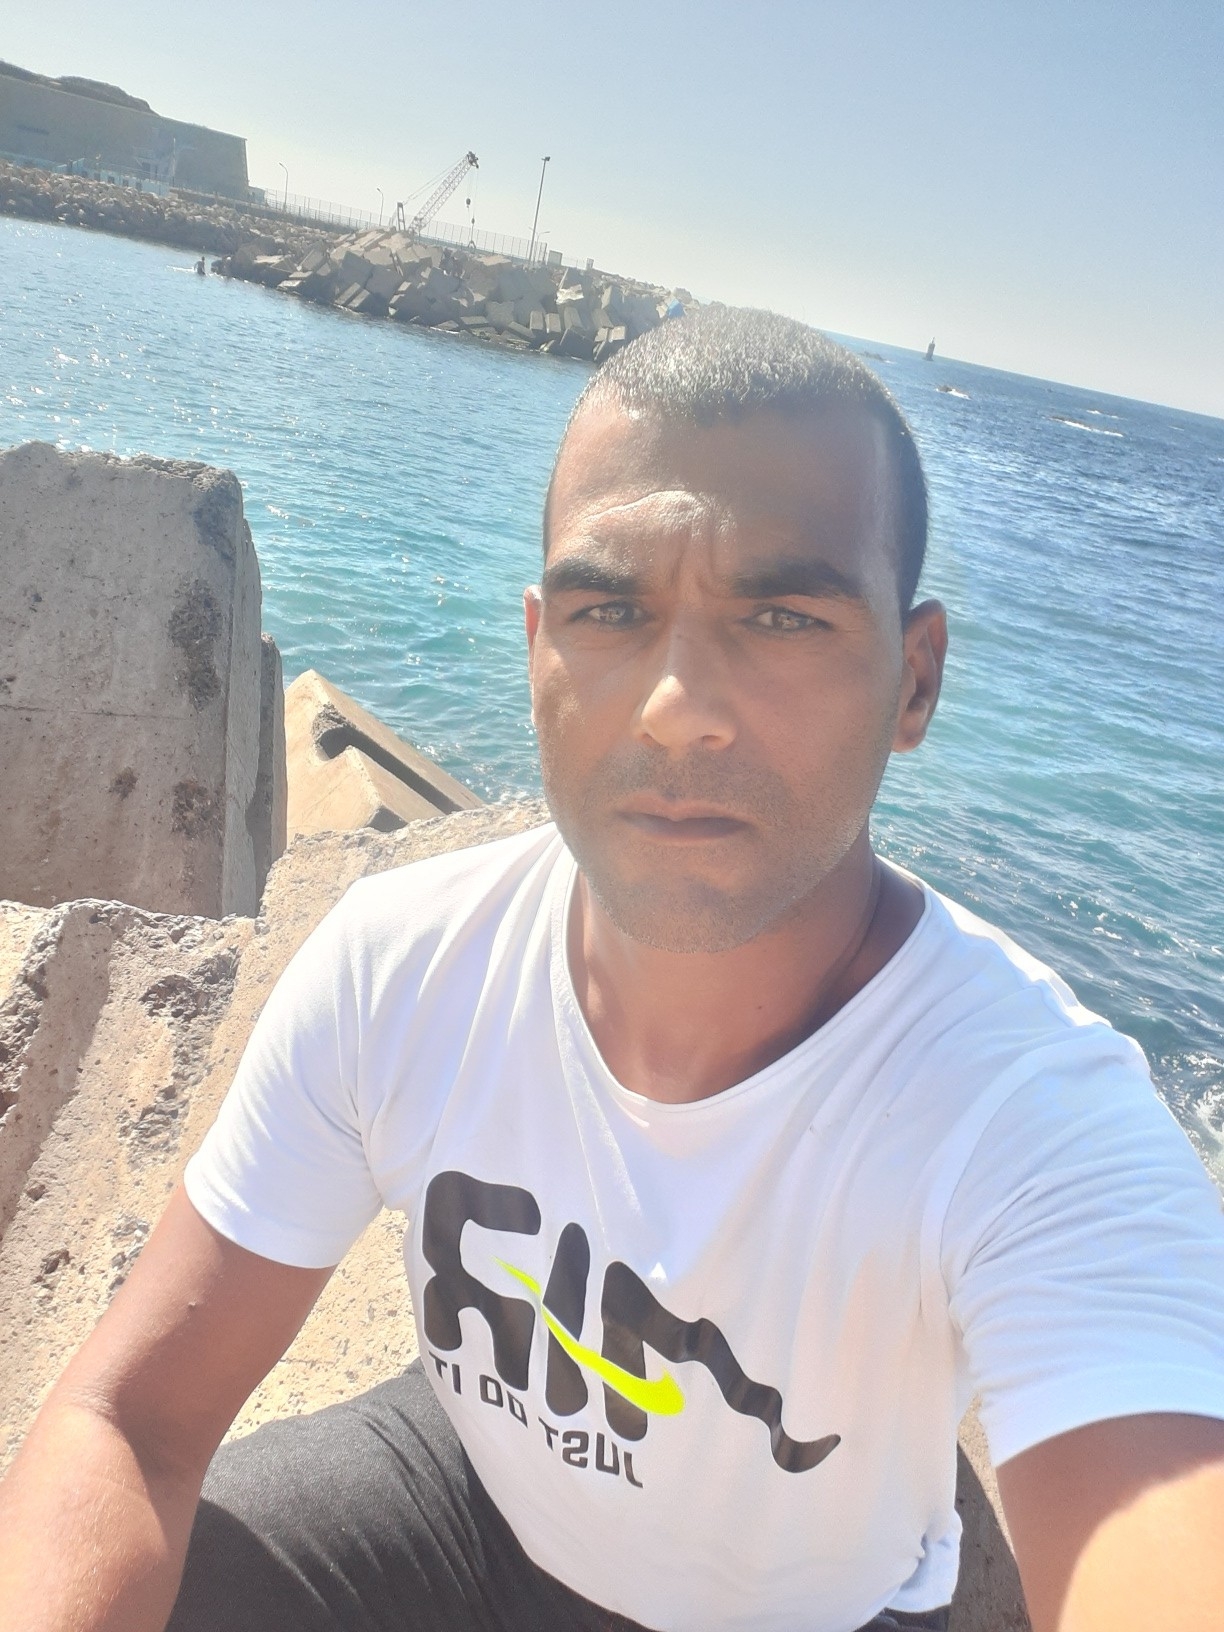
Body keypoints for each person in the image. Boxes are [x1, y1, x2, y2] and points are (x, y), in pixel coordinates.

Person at [2, 309, 1223, 1632]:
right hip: (475, 1498)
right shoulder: (404, 963)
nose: (676, 706)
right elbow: (130, 1420)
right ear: (539, 647)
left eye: (782, 615)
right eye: (610, 610)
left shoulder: (1032, 1116)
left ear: (914, 680)